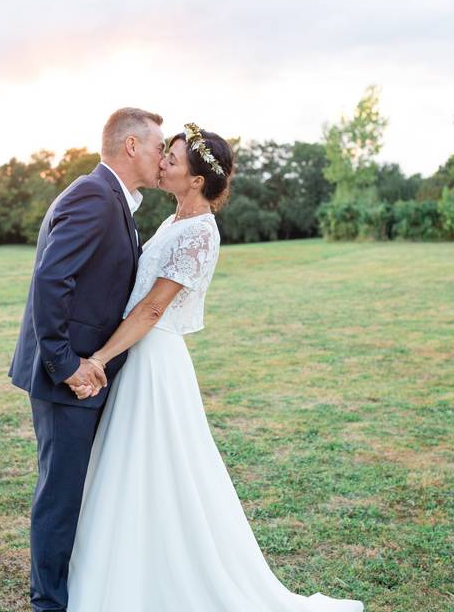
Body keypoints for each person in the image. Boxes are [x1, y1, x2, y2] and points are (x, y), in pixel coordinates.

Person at [65, 124, 364, 611]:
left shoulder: (200, 234)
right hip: (139, 356)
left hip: (155, 359)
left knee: (160, 467)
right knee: (132, 466)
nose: (162, 163)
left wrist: (98, 358)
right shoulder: (173, 222)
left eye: (174, 160)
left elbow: (152, 310)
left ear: (197, 180)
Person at [8, 107, 165, 612]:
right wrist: (67, 364)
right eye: (159, 146)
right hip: (67, 376)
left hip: (87, 371)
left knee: (81, 487)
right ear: (132, 146)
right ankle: (48, 605)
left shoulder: (114, 199)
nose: (163, 156)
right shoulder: (94, 195)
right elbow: (52, 281)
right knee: (60, 496)